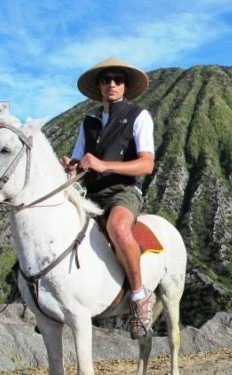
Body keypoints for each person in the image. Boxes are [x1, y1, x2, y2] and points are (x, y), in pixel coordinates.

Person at [62, 57, 155, 339]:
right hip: (91, 193)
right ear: (99, 86)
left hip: (124, 191)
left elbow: (147, 164)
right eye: (106, 79)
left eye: (118, 79)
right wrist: (71, 165)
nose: (112, 84)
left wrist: (104, 165)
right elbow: (80, 160)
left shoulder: (139, 116)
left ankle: (139, 297)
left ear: (125, 85)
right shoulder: (88, 122)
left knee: (117, 226)